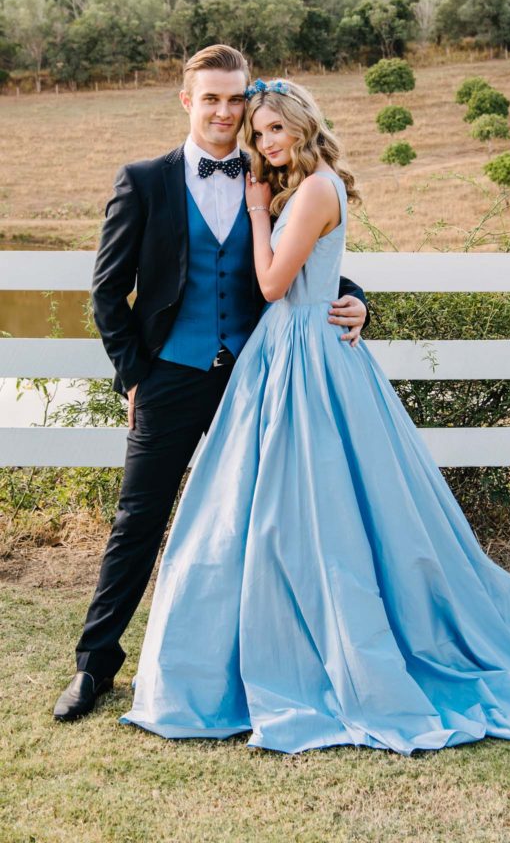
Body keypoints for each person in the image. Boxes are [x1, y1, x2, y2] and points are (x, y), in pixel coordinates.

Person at [118, 78, 510, 755]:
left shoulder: (312, 190)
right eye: (257, 133)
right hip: (282, 353)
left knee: (316, 507)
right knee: (256, 507)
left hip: (306, 356)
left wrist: (259, 211)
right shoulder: (304, 186)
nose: (265, 143)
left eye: (274, 129)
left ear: (301, 126)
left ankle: (335, 647)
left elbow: (271, 284)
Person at [53, 48, 369, 722]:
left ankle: (259, 668)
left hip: (259, 378)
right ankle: (94, 664)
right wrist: (134, 376)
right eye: (211, 99)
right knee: (138, 520)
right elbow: (107, 292)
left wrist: (359, 300)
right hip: (169, 376)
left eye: (235, 99)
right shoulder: (145, 181)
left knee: (261, 522)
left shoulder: (272, 172)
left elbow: (312, 257)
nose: (225, 112)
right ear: (186, 101)